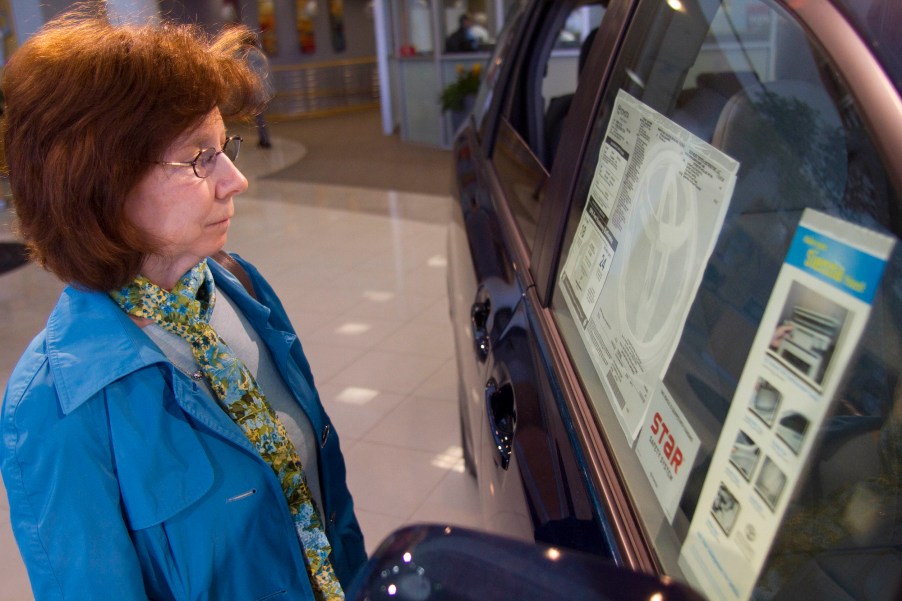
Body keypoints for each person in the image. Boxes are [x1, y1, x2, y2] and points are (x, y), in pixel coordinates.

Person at [0, 9, 366, 600]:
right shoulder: (54, 405)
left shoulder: (236, 285)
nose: (233, 181)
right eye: (197, 158)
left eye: (225, 148)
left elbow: (326, 504)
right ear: (98, 181)